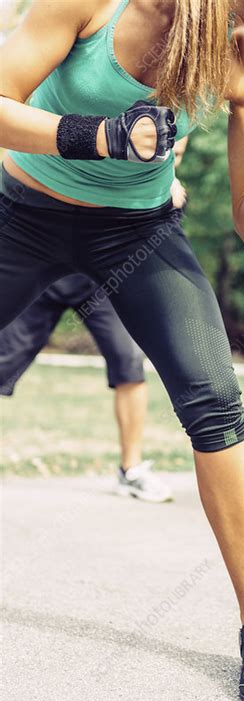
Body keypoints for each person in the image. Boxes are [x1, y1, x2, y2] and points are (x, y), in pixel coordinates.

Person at [0, 1, 244, 701]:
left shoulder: (241, 58)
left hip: (134, 233)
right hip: (22, 212)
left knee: (215, 398)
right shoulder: (93, 5)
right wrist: (98, 136)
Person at [0, 150, 188, 502]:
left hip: (104, 280)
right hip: (44, 265)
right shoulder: (96, 127)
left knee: (129, 364)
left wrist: (173, 200)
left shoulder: (163, 177)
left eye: (178, 152)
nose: (174, 157)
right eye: (171, 153)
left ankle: (130, 471)